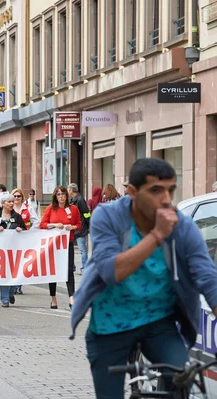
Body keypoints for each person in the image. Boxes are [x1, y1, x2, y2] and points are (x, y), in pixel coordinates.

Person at [71, 158, 217, 399]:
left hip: (159, 321)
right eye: (156, 191)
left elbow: (206, 274)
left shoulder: (182, 225)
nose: (167, 199)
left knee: (182, 378)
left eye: (171, 189)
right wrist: (157, 235)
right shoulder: (107, 217)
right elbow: (110, 271)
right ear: (132, 192)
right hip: (111, 322)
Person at [40, 186, 80, 310]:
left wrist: (72, 227)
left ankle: (71, 297)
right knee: (54, 271)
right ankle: (53, 298)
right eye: (59, 194)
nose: (61, 196)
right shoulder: (51, 209)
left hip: (68, 243)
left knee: (69, 270)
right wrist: (54, 225)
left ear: (67, 196)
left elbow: (78, 224)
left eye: (63, 194)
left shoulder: (73, 209)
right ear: (55, 197)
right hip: (54, 244)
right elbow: (43, 225)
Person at [0, 193, 26, 307]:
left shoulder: (17, 216)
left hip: (14, 249)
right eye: (9, 202)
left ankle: (11, 292)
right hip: (0, 250)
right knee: (4, 274)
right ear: (3, 204)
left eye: (12, 202)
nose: (12, 203)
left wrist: (20, 229)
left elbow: (25, 229)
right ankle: (5, 299)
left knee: (14, 273)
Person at [11, 188, 38, 295]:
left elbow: (36, 222)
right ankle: (11, 285)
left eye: (19, 196)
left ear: (22, 197)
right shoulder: (8, 207)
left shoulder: (28, 208)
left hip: (23, 239)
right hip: (10, 239)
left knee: (21, 262)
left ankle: (18, 286)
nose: (17, 198)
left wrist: (29, 233)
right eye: (15, 196)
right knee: (11, 262)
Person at [67, 183, 91, 273]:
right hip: (74, 229)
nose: (68, 192)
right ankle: (72, 266)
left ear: (71, 190)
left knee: (82, 250)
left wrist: (89, 225)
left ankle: (85, 268)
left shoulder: (80, 200)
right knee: (71, 249)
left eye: (68, 190)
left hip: (80, 229)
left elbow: (86, 213)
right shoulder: (72, 200)